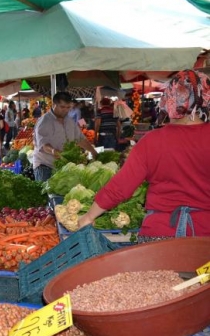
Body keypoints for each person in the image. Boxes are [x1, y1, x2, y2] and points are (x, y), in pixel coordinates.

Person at [79, 70, 210, 240]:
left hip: (159, 237)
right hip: (204, 239)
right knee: (201, 268)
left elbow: (121, 186)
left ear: (170, 98)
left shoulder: (152, 141)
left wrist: (89, 216)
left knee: (159, 268)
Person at [33, 92, 97, 182]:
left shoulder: (69, 121)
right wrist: (53, 150)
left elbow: (80, 139)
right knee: (47, 195)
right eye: (62, 107)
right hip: (45, 167)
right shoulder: (44, 122)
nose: (65, 110)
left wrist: (93, 152)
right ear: (54, 105)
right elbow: (43, 144)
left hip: (63, 166)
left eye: (68, 107)